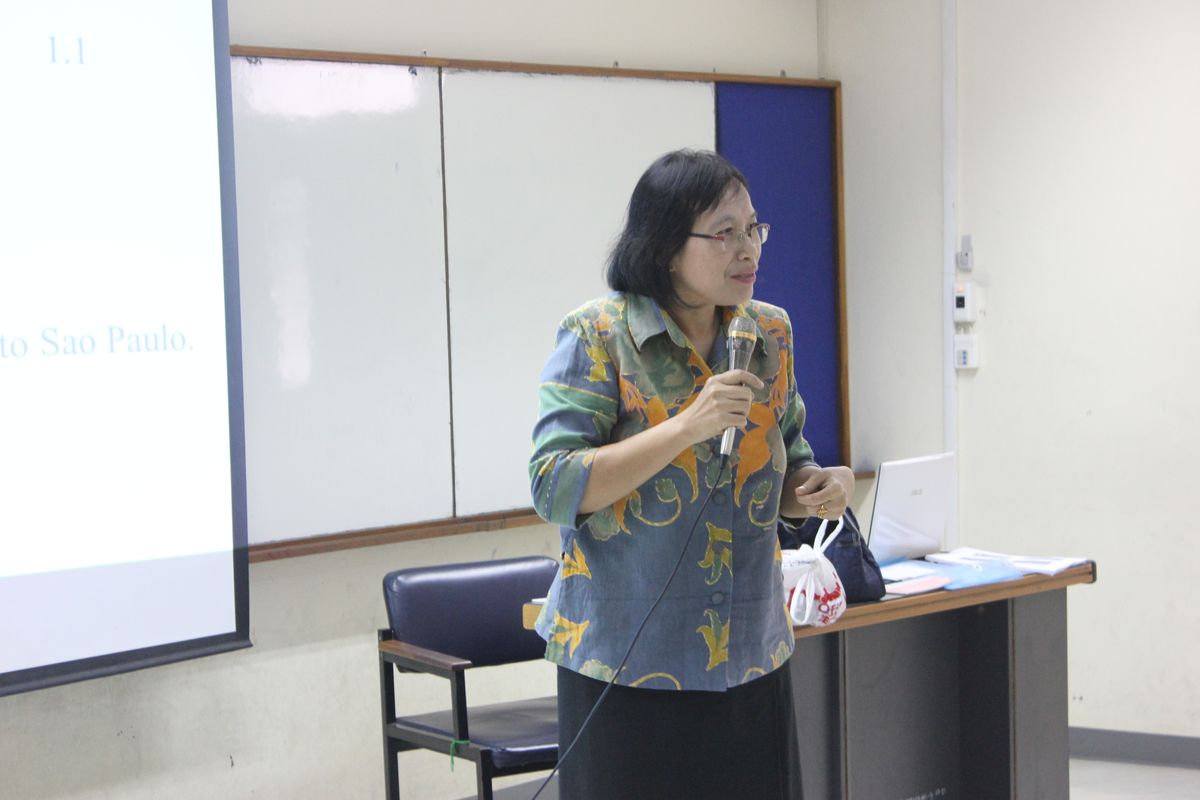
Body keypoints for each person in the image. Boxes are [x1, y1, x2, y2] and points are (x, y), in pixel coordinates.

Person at [529, 149, 854, 799]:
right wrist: (684, 427)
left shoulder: (769, 334)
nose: (747, 248)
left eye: (753, 228)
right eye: (724, 232)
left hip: (750, 656)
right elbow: (554, 484)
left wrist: (821, 488)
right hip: (628, 665)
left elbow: (787, 460)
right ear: (666, 247)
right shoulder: (599, 335)